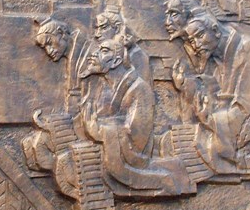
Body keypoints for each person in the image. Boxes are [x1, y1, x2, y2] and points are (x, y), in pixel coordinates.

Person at [79, 39, 195, 196]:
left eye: (104, 51)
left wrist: (100, 132)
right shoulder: (104, 88)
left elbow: (137, 138)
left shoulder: (140, 89)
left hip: (131, 158)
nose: (94, 54)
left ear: (116, 61)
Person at [170, 7, 250, 172]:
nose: (196, 45)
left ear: (215, 30)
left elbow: (249, 111)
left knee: (194, 153)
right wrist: (185, 85)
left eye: (200, 35)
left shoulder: (247, 48)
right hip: (219, 129)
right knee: (170, 144)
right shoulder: (215, 58)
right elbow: (211, 96)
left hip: (241, 141)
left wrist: (210, 120)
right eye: (192, 41)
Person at [23, 16, 93, 172]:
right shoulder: (74, 56)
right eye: (44, 47)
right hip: (76, 121)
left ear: (61, 33)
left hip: (89, 127)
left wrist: (56, 125)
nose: (49, 51)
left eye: (49, 43)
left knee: (40, 145)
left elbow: (93, 105)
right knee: (28, 145)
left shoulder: (88, 56)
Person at [93, 6, 152, 86]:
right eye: (97, 29)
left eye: (103, 28)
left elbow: (143, 89)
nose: (97, 34)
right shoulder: (100, 54)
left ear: (117, 28)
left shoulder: (136, 55)